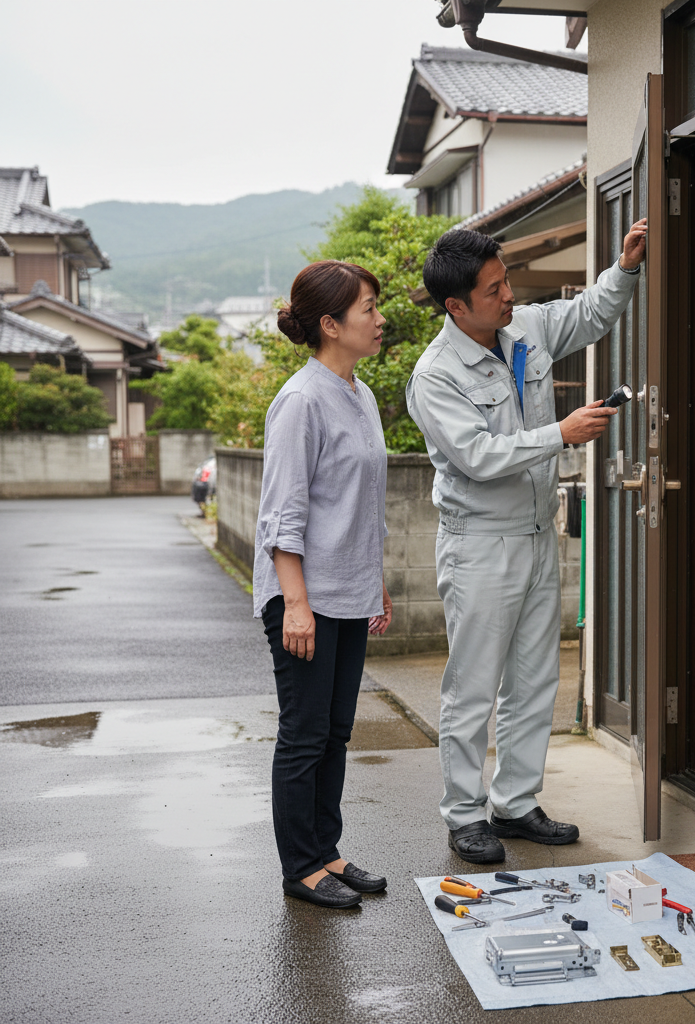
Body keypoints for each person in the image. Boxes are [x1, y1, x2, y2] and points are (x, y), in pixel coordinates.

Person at [406, 219, 648, 863]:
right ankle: (464, 815)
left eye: (506, 279)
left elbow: (590, 314)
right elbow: (479, 456)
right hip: (481, 544)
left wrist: (623, 269)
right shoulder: (435, 376)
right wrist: (559, 434)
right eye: (493, 289)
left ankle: (514, 804)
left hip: (538, 535)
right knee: (473, 687)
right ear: (456, 306)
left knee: (535, 679)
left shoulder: (525, 331)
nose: (508, 295)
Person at [254, 260, 393, 907]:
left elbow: (359, 500)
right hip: (303, 596)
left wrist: (376, 581)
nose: (380, 317)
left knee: (337, 732)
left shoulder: (359, 394)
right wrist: (297, 605)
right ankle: (300, 866)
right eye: (368, 307)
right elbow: (283, 514)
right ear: (331, 324)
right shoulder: (301, 400)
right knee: (305, 733)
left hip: (348, 587)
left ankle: (328, 852)